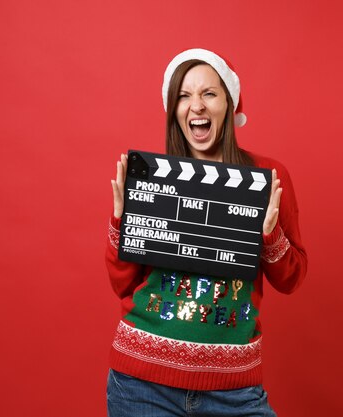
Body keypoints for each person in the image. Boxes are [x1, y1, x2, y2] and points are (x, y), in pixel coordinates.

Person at [105, 48, 307, 416]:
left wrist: (270, 236)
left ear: (228, 105)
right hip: (142, 382)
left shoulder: (270, 178)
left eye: (208, 94)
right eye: (184, 95)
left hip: (234, 388)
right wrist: (122, 225)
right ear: (174, 111)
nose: (196, 105)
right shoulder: (151, 177)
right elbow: (122, 285)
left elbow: (292, 278)